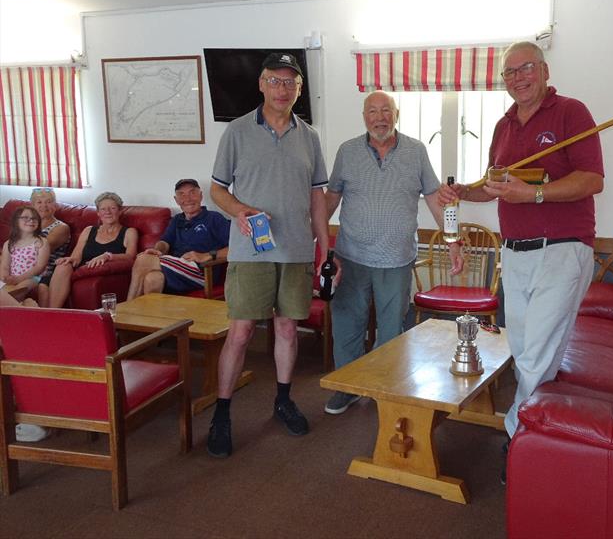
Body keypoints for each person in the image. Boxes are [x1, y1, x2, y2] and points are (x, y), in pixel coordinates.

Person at [438, 41, 604, 451]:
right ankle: (541, 430)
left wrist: (534, 195)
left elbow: (592, 179)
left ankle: (519, 438)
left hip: (563, 250)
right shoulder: (503, 125)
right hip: (514, 253)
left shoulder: (572, 112)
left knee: (536, 354)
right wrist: (462, 192)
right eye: (509, 72)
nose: (517, 78)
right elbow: (494, 188)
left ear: (544, 70)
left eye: (525, 68)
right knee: (523, 347)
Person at [207, 52, 329, 457]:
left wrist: (323, 248)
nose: (283, 89)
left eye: (290, 82)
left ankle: (283, 399)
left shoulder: (309, 136)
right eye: (275, 81)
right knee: (241, 333)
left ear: (299, 88)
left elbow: (317, 199)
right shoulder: (238, 132)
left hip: (295, 250)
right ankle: (222, 412)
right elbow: (217, 190)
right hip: (250, 251)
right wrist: (239, 210)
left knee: (287, 329)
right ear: (261, 84)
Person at [322, 91, 463, 415]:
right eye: (372, 111)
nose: (379, 117)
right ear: (364, 116)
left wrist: (453, 241)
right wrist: (312, 233)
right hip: (352, 255)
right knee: (347, 326)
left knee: (391, 331)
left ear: (396, 115)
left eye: (386, 110)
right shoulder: (347, 151)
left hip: (396, 258)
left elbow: (433, 199)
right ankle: (347, 386)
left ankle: (386, 389)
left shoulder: (416, 151)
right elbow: (331, 199)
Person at [127, 179, 230, 301]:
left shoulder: (214, 218)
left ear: (201, 195)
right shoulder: (177, 220)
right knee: (153, 278)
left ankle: (126, 310)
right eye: (182, 194)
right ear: (176, 200)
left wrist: (207, 255)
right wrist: (157, 250)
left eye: (192, 192)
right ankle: (154, 319)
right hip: (179, 270)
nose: (188, 199)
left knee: (143, 259)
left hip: (202, 272)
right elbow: (165, 242)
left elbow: (236, 249)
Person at [0, 206, 49, 442]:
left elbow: (38, 268)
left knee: (21, 335)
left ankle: (34, 411)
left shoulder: (40, 242)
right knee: (24, 333)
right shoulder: (9, 245)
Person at [45, 192, 138, 308]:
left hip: (100, 273)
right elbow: (76, 258)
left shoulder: (129, 232)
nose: (108, 212)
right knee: (63, 266)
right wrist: (67, 259)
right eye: (103, 209)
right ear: (98, 213)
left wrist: (108, 256)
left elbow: (131, 257)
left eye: (112, 208)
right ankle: (53, 313)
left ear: (120, 211)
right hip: (81, 271)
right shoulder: (88, 230)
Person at [29, 187, 71, 306]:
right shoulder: (27, 224)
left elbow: (41, 250)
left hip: (47, 270)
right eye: (39, 202)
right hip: (24, 266)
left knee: (42, 286)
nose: (44, 206)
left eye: (48, 202)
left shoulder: (61, 228)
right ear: (32, 206)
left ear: (55, 205)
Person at [0, 206, 49, 305]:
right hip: (12, 277)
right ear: (16, 221)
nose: (31, 220)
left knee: (21, 288)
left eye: (34, 218)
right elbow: (5, 265)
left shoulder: (41, 242)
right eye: (25, 217)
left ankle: (23, 306)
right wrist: (4, 277)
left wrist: (18, 279)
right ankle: (24, 304)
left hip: (33, 278)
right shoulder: (9, 243)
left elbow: (40, 267)